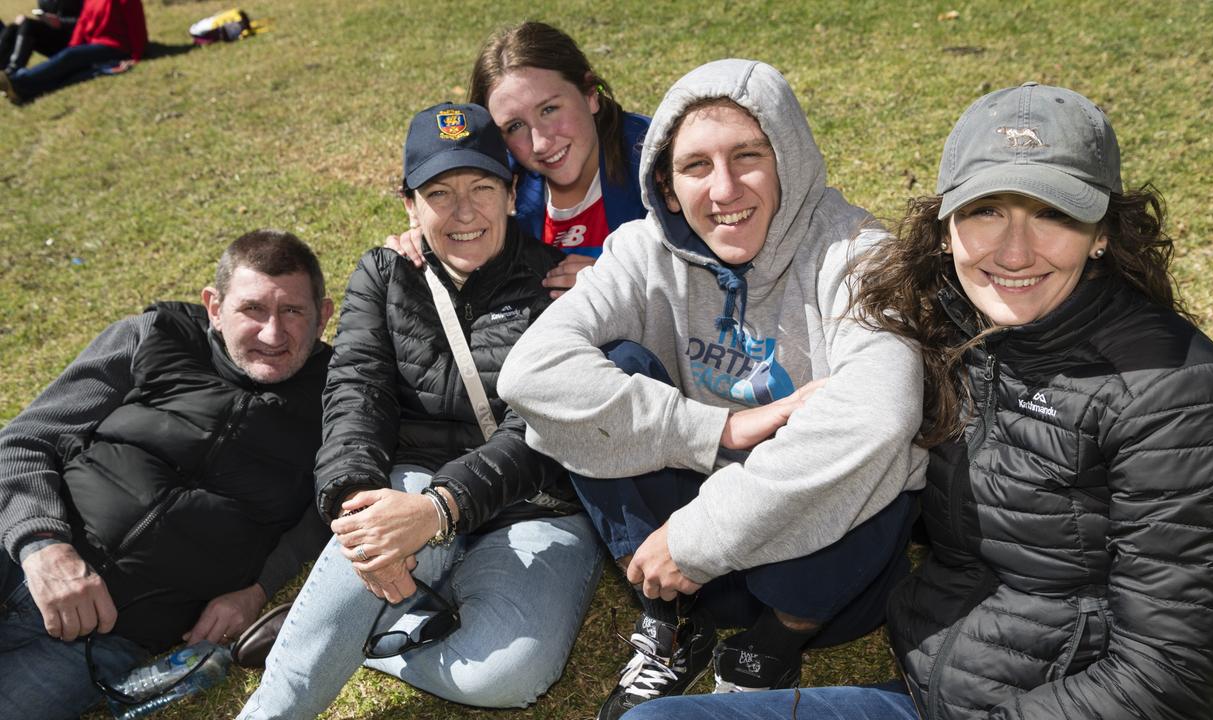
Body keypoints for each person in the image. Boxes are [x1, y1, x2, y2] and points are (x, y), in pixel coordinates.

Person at [619, 83, 1213, 720]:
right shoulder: (947, 329)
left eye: (1053, 213)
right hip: (928, 690)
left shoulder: (1185, 400)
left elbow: (1166, 681)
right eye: (986, 211)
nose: (1014, 251)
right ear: (947, 225)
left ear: (1103, 231)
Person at [498, 59, 927, 720]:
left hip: (821, 570)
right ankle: (671, 622)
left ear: (789, 159)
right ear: (668, 188)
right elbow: (529, 375)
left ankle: (776, 639)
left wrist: (702, 534)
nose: (724, 190)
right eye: (696, 167)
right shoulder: (640, 250)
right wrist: (716, 431)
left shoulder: (859, 254)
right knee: (608, 367)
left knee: (886, 436)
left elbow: (882, 411)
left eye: (748, 156)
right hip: (678, 560)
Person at [236, 102, 600, 719]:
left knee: (507, 676)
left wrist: (440, 510)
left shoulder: (561, 285)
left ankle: (363, 635)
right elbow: (354, 393)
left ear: (512, 194)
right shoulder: (383, 275)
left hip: (535, 508)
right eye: (439, 193)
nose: (463, 213)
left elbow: (542, 431)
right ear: (409, 205)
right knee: (372, 534)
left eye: (482, 188)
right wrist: (359, 506)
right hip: (410, 485)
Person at [0, 229, 335, 720]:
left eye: (293, 312)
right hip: (15, 556)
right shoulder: (154, 335)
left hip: (104, 640)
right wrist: (44, 547)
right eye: (252, 310)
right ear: (214, 307)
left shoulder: (340, 398)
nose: (272, 334)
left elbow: (330, 510)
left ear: (323, 316)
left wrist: (258, 588)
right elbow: (27, 440)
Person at [388, 21, 649, 298]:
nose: (541, 143)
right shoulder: (503, 181)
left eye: (549, 109)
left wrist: (618, 285)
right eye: (514, 126)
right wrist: (421, 242)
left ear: (590, 94)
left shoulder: (658, 164)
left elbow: (695, 279)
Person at [0, 0, 145, 104]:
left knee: (70, 57)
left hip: (116, 48)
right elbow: (83, 23)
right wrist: (73, 47)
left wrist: (136, 56)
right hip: (93, 45)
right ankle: (17, 82)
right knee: (69, 58)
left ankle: (19, 83)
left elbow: (137, 28)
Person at [0, 0, 82, 76]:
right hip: (55, 38)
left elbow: (88, 21)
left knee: (28, 25)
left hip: (75, 41)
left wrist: (61, 22)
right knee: (13, 27)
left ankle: (12, 72)